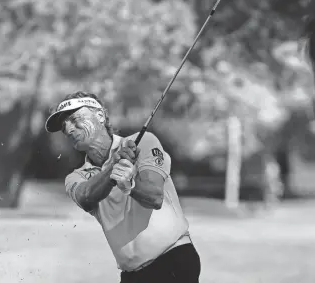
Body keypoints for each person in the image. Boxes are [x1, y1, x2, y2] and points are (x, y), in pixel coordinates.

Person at [45, 91, 201, 283]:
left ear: (100, 116)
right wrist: (112, 168)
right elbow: (86, 197)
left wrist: (130, 185)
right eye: (64, 126)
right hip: (132, 276)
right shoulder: (76, 177)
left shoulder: (144, 141)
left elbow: (155, 197)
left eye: (75, 119)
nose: (68, 129)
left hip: (174, 260)